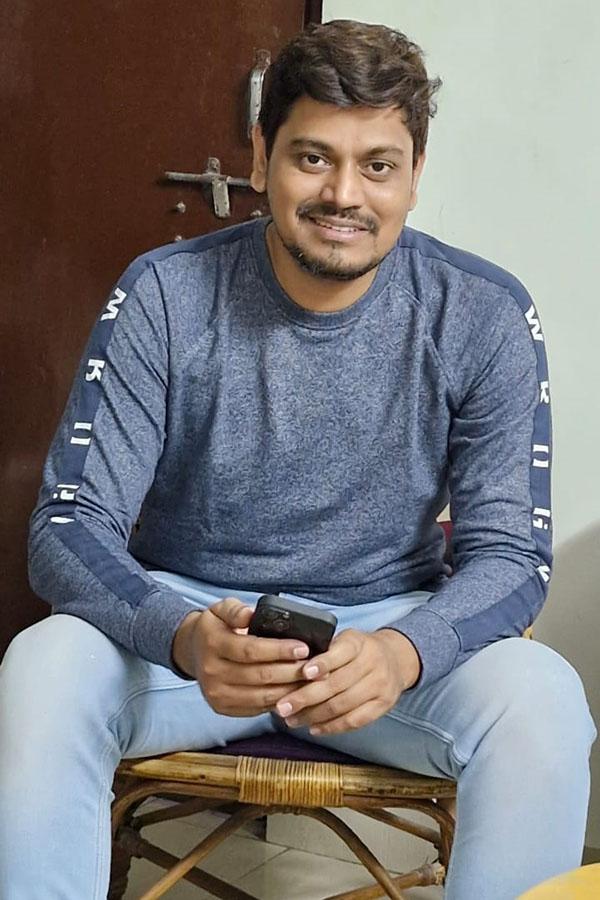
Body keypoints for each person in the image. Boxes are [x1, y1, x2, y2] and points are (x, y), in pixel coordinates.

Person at [0, 19, 595, 900]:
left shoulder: (484, 313)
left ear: (416, 175)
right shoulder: (164, 294)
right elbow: (68, 526)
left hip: (382, 641)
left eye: (378, 165)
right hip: (193, 633)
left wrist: (403, 651)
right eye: (313, 157)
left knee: (542, 698)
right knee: (44, 667)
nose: (344, 194)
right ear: (259, 157)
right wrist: (182, 635)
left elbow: (511, 555)